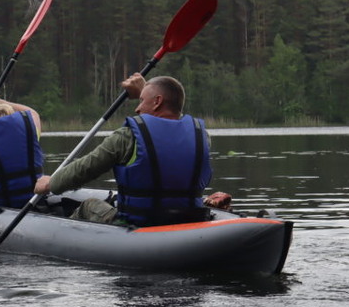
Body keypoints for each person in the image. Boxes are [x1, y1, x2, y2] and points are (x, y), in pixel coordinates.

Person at [33, 73, 231, 225]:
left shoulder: (128, 136)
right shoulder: (201, 136)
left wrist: (51, 184)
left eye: (142, 101)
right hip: (187, 218)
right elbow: (173, 122)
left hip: (139, 222)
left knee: (88, 205)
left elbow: (83, 170)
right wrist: (147, 91)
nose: (137, 109)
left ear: (157, 101)